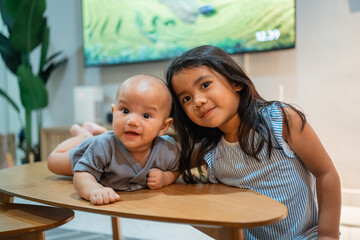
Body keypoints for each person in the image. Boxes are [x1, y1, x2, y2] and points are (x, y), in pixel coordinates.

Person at [165, 45, 341, 240]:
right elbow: (165, 162)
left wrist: (329, 235)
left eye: (205, 85)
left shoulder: (280, 120)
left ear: (235, 82)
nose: (197, 101)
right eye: (186, 98)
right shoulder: (208, 150)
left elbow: (325, 173)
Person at [48, 75, 180, 205]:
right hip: (89, 152)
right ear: (113, 112)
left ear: (163, 126)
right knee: (53, 162)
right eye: (125, 111)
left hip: (105, 146)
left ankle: (93, 133)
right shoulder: (102, 145)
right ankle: (83, 136)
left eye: (146, 115)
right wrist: (95, 189)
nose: (132, 120)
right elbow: (82, 174)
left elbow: (176, 170)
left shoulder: (168, 149)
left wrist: (165, 178)